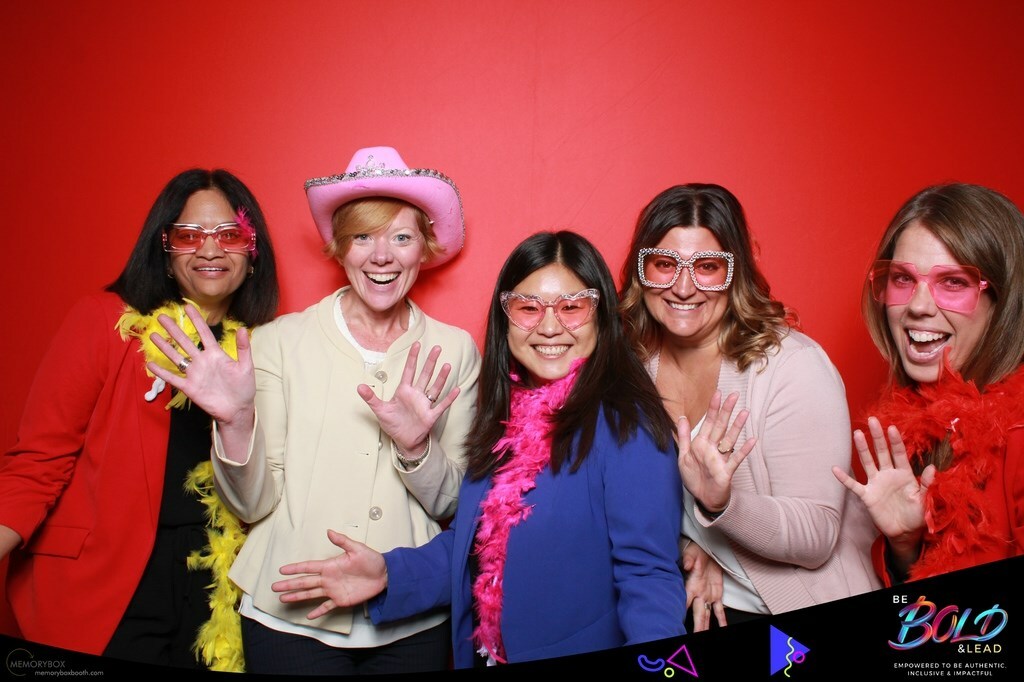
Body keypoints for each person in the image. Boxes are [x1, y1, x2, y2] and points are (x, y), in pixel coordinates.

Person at [270, 231, 687, 667]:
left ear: (601, 316)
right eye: (528, 308)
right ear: (505, 320)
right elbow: (473, 549)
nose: (549, 327)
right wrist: (389, 574)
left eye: (571, 307)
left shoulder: (627, 426)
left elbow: (650, 577)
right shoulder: (504, 418)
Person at [148, 147, 480, 675]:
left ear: (425, 247)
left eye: (401, 237)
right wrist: (235, 423)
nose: (382, 256)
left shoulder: (456, 349)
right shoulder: (278, 343)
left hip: (410, 619)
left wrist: (417, 448)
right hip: (288, 616)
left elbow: (456, 503)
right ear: (339, 248)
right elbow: (252, 505)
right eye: (362, 236)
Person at [0, 169, 279, 668]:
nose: (209, 250)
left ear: (252, 252)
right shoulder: (104, 322)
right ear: (165, 251)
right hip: (106, 578)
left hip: (216, 582)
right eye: (189, 235)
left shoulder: (270, 349)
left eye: (229, 235)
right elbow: (39, 460)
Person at [619, 184, 879, 630]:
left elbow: (817, 535)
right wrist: (691, 546)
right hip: (692, 606)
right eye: (665, 264)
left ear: (734, 273)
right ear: (642, 271)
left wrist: (723, 505)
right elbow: (631, 508)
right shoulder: (632, 366)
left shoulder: (791, 366)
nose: (683, 287)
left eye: (707, 267)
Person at [834, 183, 1024, 585]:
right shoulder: (918, 430)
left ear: (1004, 301)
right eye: (902, 278)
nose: (918, 306)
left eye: (953, 282)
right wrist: (905, 546)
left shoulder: (1018, 436)